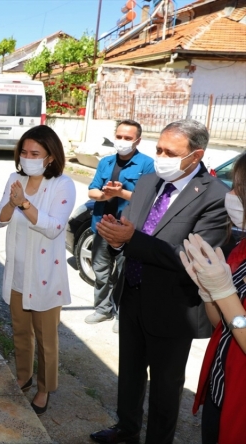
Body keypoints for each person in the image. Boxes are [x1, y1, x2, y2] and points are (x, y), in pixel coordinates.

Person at [90, 120, 229, 444]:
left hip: (173, 306)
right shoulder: (149, 180)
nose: (161, 156)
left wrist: (131, 240)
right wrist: (116, 238)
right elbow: (133, 229)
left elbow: (196, 256)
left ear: (196, 156)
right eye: (158, 149)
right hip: (133, 294)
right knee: (130, 373)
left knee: (166, 387)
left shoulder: (214, 196)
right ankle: (126, 429)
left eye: (170, 152)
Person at [0, 125, 76, 416]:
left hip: (44, 277)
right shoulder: (15, 178)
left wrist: (24, 204)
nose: (28, 157)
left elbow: (54, 228)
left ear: (50, 157)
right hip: (17, 272)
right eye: (24, 152)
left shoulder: (62, 185)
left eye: (35, 153)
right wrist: (11, 205)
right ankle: (23, 375)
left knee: (46, 339)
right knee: (20, 331)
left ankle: (44, 388)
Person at [181, 153, 246, 444]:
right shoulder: (239, 251)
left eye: (239, 188)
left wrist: (224, 293)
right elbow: (219, 325)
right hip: (220, 389)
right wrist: (209, 294)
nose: (230, 195)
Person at [84, 120, 155, 333]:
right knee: (101, 271)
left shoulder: (147, 164)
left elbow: (148, 199)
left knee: (126, 274)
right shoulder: (105, 162)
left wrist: (121, 193)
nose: (122, 141)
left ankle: (122, 314)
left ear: (138, 140)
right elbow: (92, 192)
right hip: (103, 226)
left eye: (128, 138)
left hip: (128, 230)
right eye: (119, 136)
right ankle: (103, 309)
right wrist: (106, 194)